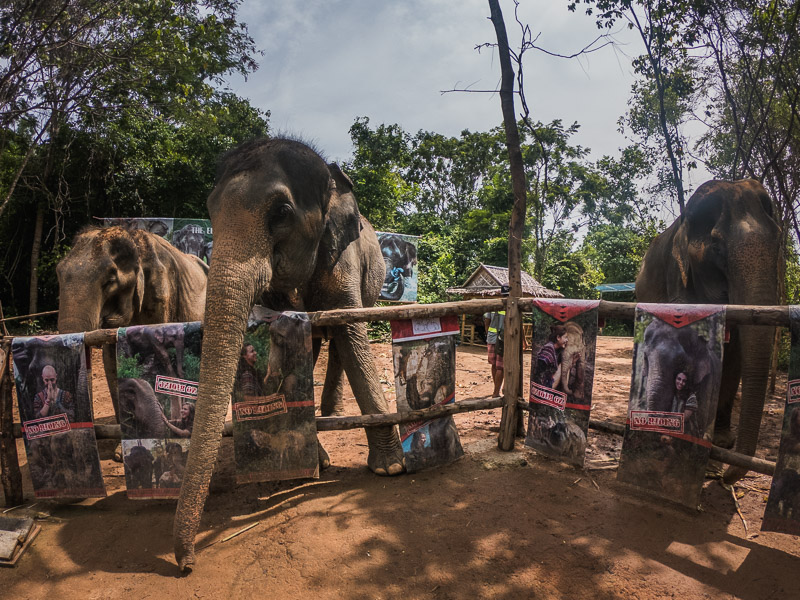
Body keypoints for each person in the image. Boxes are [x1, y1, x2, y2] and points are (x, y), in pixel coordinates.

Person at [533, 325, 569, 389]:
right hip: (543, 385)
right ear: (558, 337)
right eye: (565, 337)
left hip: (545, 382)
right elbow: (540, 365)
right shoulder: (549, 348)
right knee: (563, 364)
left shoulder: (555, 349)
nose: (567, 340)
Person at [484, 309, 506, 398]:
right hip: (503, 338)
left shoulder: (492, 306)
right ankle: (496, 392)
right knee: (500, 366)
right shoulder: (509, 306)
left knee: (494, 364)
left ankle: (496, 388)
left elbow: (486, 322)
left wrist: (488, 334)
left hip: (491, 337)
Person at [670, 371, 698, 436]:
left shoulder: (691, 397)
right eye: (679, 379)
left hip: (687, 434)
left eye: (684, 381)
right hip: (672, 431)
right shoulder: (673, 394)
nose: (681, 383)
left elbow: (684, 418)